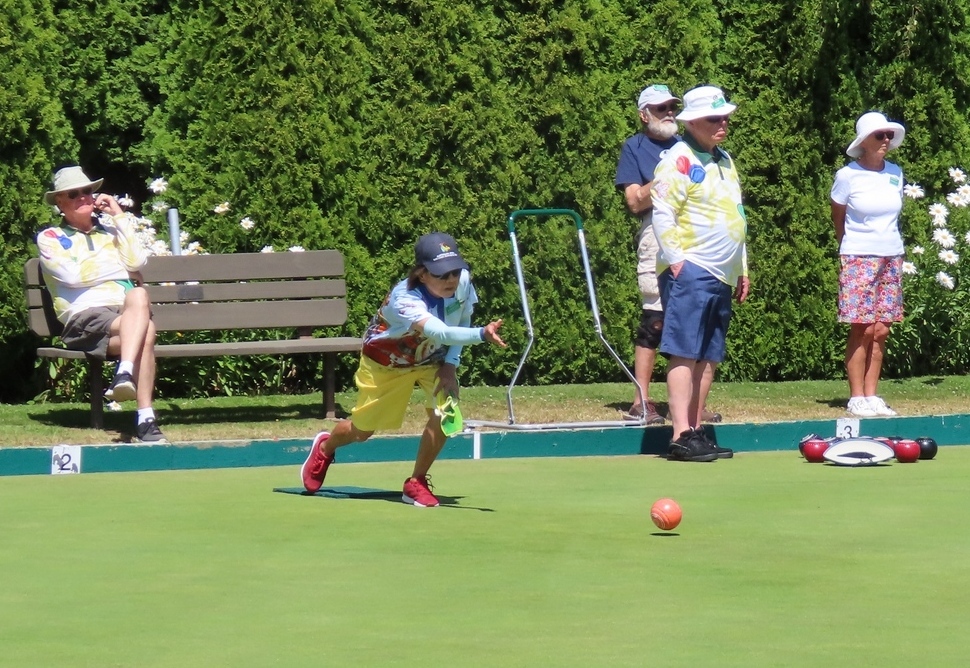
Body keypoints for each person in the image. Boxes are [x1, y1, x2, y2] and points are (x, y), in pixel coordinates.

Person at [301, 232, 506, 507]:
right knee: (362, 431)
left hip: (431, 360)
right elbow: (441, 332)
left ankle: (416, 482)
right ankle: (326, 447)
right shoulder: (404, 299)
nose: (451, 279)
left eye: (455, 271)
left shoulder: (463, 281)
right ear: (422, 274)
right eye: (441, 274)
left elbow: (463, 318)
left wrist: (450, 365)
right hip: (387, 363)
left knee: (445, 412)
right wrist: (482, 334)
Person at [650, 86, 750, 462]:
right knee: (684, 352)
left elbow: (736, 214)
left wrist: (742, 267)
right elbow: (663, 211)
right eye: (714, 118)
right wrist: (677, 261)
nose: (723, 123)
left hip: (723, 273)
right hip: (692, 268)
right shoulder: (676, 159)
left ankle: (696, 431)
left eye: (725, 117)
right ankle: (680, 435)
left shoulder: (725, 159)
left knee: (708, 356)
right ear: (692, 122)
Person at [614, 84, 723, 427]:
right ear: (643, 114)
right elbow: (634, 202)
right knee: (655, 319)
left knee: (698, 320)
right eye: (661, 109)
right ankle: (641, 401)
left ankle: (693, 408)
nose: (669, 113)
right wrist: (665, 178)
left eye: (672, 107)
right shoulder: (635, 147)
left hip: (696, 234)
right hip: (656, 234)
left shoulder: (687, 146)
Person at [36, 165, 167, 443]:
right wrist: (123, 272)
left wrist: (119, 216)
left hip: (123, 315)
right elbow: (72, 276)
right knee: (146, 330)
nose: (83, 197)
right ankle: (145, 419)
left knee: (139, 297)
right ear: (60, 202)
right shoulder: (51, 238)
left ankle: (125, 375)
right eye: (73, 194)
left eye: (86, 191)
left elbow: (138, 261)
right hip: (84, 319)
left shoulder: (110, 233)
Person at [830, 111, 907, 417]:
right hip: (859, 256)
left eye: (889, 135)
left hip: (892, 255)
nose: (886, 140)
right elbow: (838, 216)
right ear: (864, 141)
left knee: (881, 329)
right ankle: (857, 396)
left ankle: (872, 395)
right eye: (879, 135)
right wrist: (848, 247)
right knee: (861, 328)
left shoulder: (895, 172)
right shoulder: (847, 176)